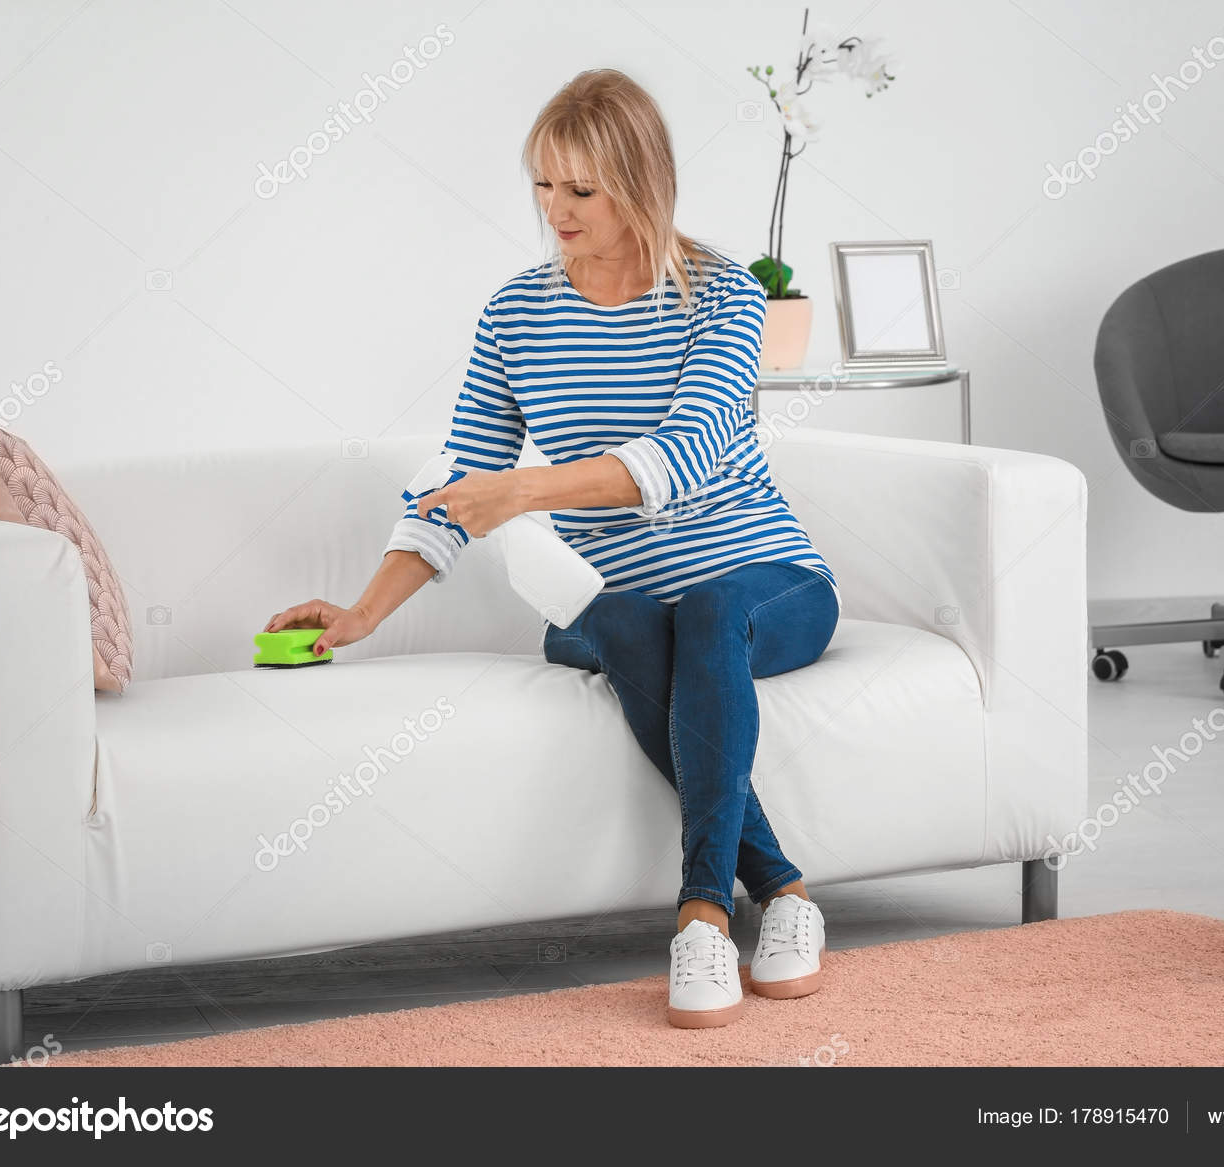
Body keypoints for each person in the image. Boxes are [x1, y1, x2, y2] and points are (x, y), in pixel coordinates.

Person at [264, 68, 838, 1029]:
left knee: (701, 609)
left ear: (641, 183)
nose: (553, 210)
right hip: (621, 605)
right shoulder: (518, 312)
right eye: (542, 185)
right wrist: (361, 611)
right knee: (615, 615)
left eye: (580, 190)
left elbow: (681, 456)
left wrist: (523, 490)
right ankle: (783, 890)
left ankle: (701, 914)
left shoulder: (725, 297)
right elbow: (459, 480)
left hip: (765, 583)